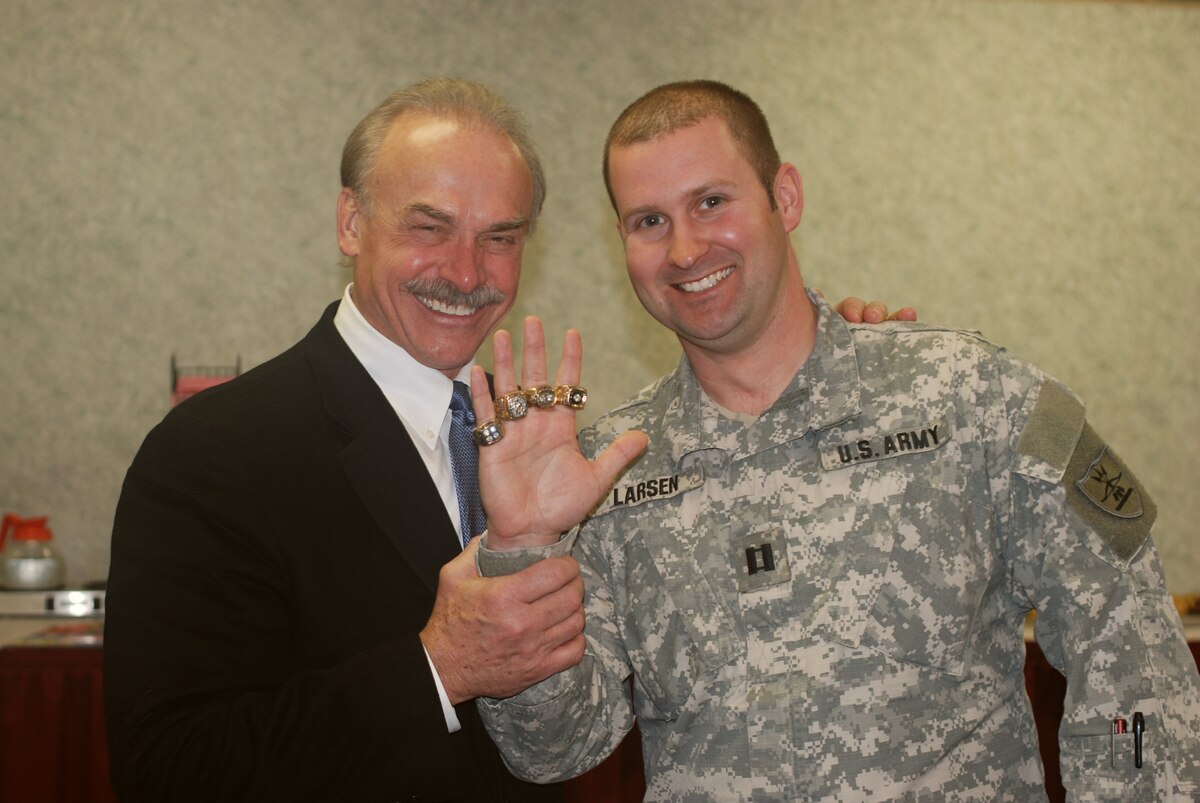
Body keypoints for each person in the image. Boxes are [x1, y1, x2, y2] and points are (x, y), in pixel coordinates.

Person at [103, 77, 903, 803]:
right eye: (430, 226)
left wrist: (837, 362)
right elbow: (170, 765)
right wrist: (437, 668)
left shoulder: (544, 449)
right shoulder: (216, 452)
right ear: (352, 220)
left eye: (501, 236)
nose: (463, 270)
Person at [472, 80, 1200, 800]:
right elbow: (554, 748)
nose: (686, 247)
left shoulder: (970, 397)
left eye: (711, 201)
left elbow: (1134, 655)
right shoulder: (613, 470)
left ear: (784, 197)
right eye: (648, 221)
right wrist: (525, 548)